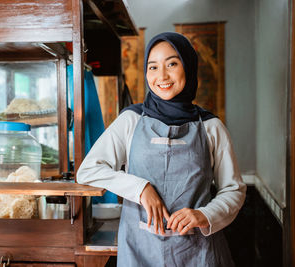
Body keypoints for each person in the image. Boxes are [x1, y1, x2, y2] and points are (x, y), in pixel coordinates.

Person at [76, 32, 246, 266]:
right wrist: (141, 188)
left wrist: (204, 215)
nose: (162, 76)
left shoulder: (211, 127)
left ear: (188, 66)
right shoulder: (131, 121)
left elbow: (233, 190)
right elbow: (88, 170)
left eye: (172, 64)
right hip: (139, 251)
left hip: (199, 254)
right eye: (153, 67)